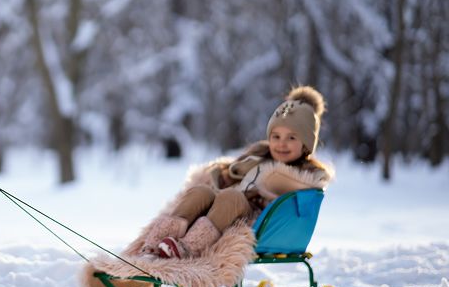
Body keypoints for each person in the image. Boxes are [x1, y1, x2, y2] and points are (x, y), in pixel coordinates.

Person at [142, 86, 333, 260]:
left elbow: (294, 196)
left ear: (306, 143)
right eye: (276, 137)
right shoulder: (258, 158)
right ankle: (154, 245)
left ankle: (188, 248)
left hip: (257, 222)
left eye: (291, 138)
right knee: (200, 192)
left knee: (232, 197)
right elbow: (233, 176)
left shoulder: (304, 175)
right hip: (225, 207)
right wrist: (223, 176)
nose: (281, 144)